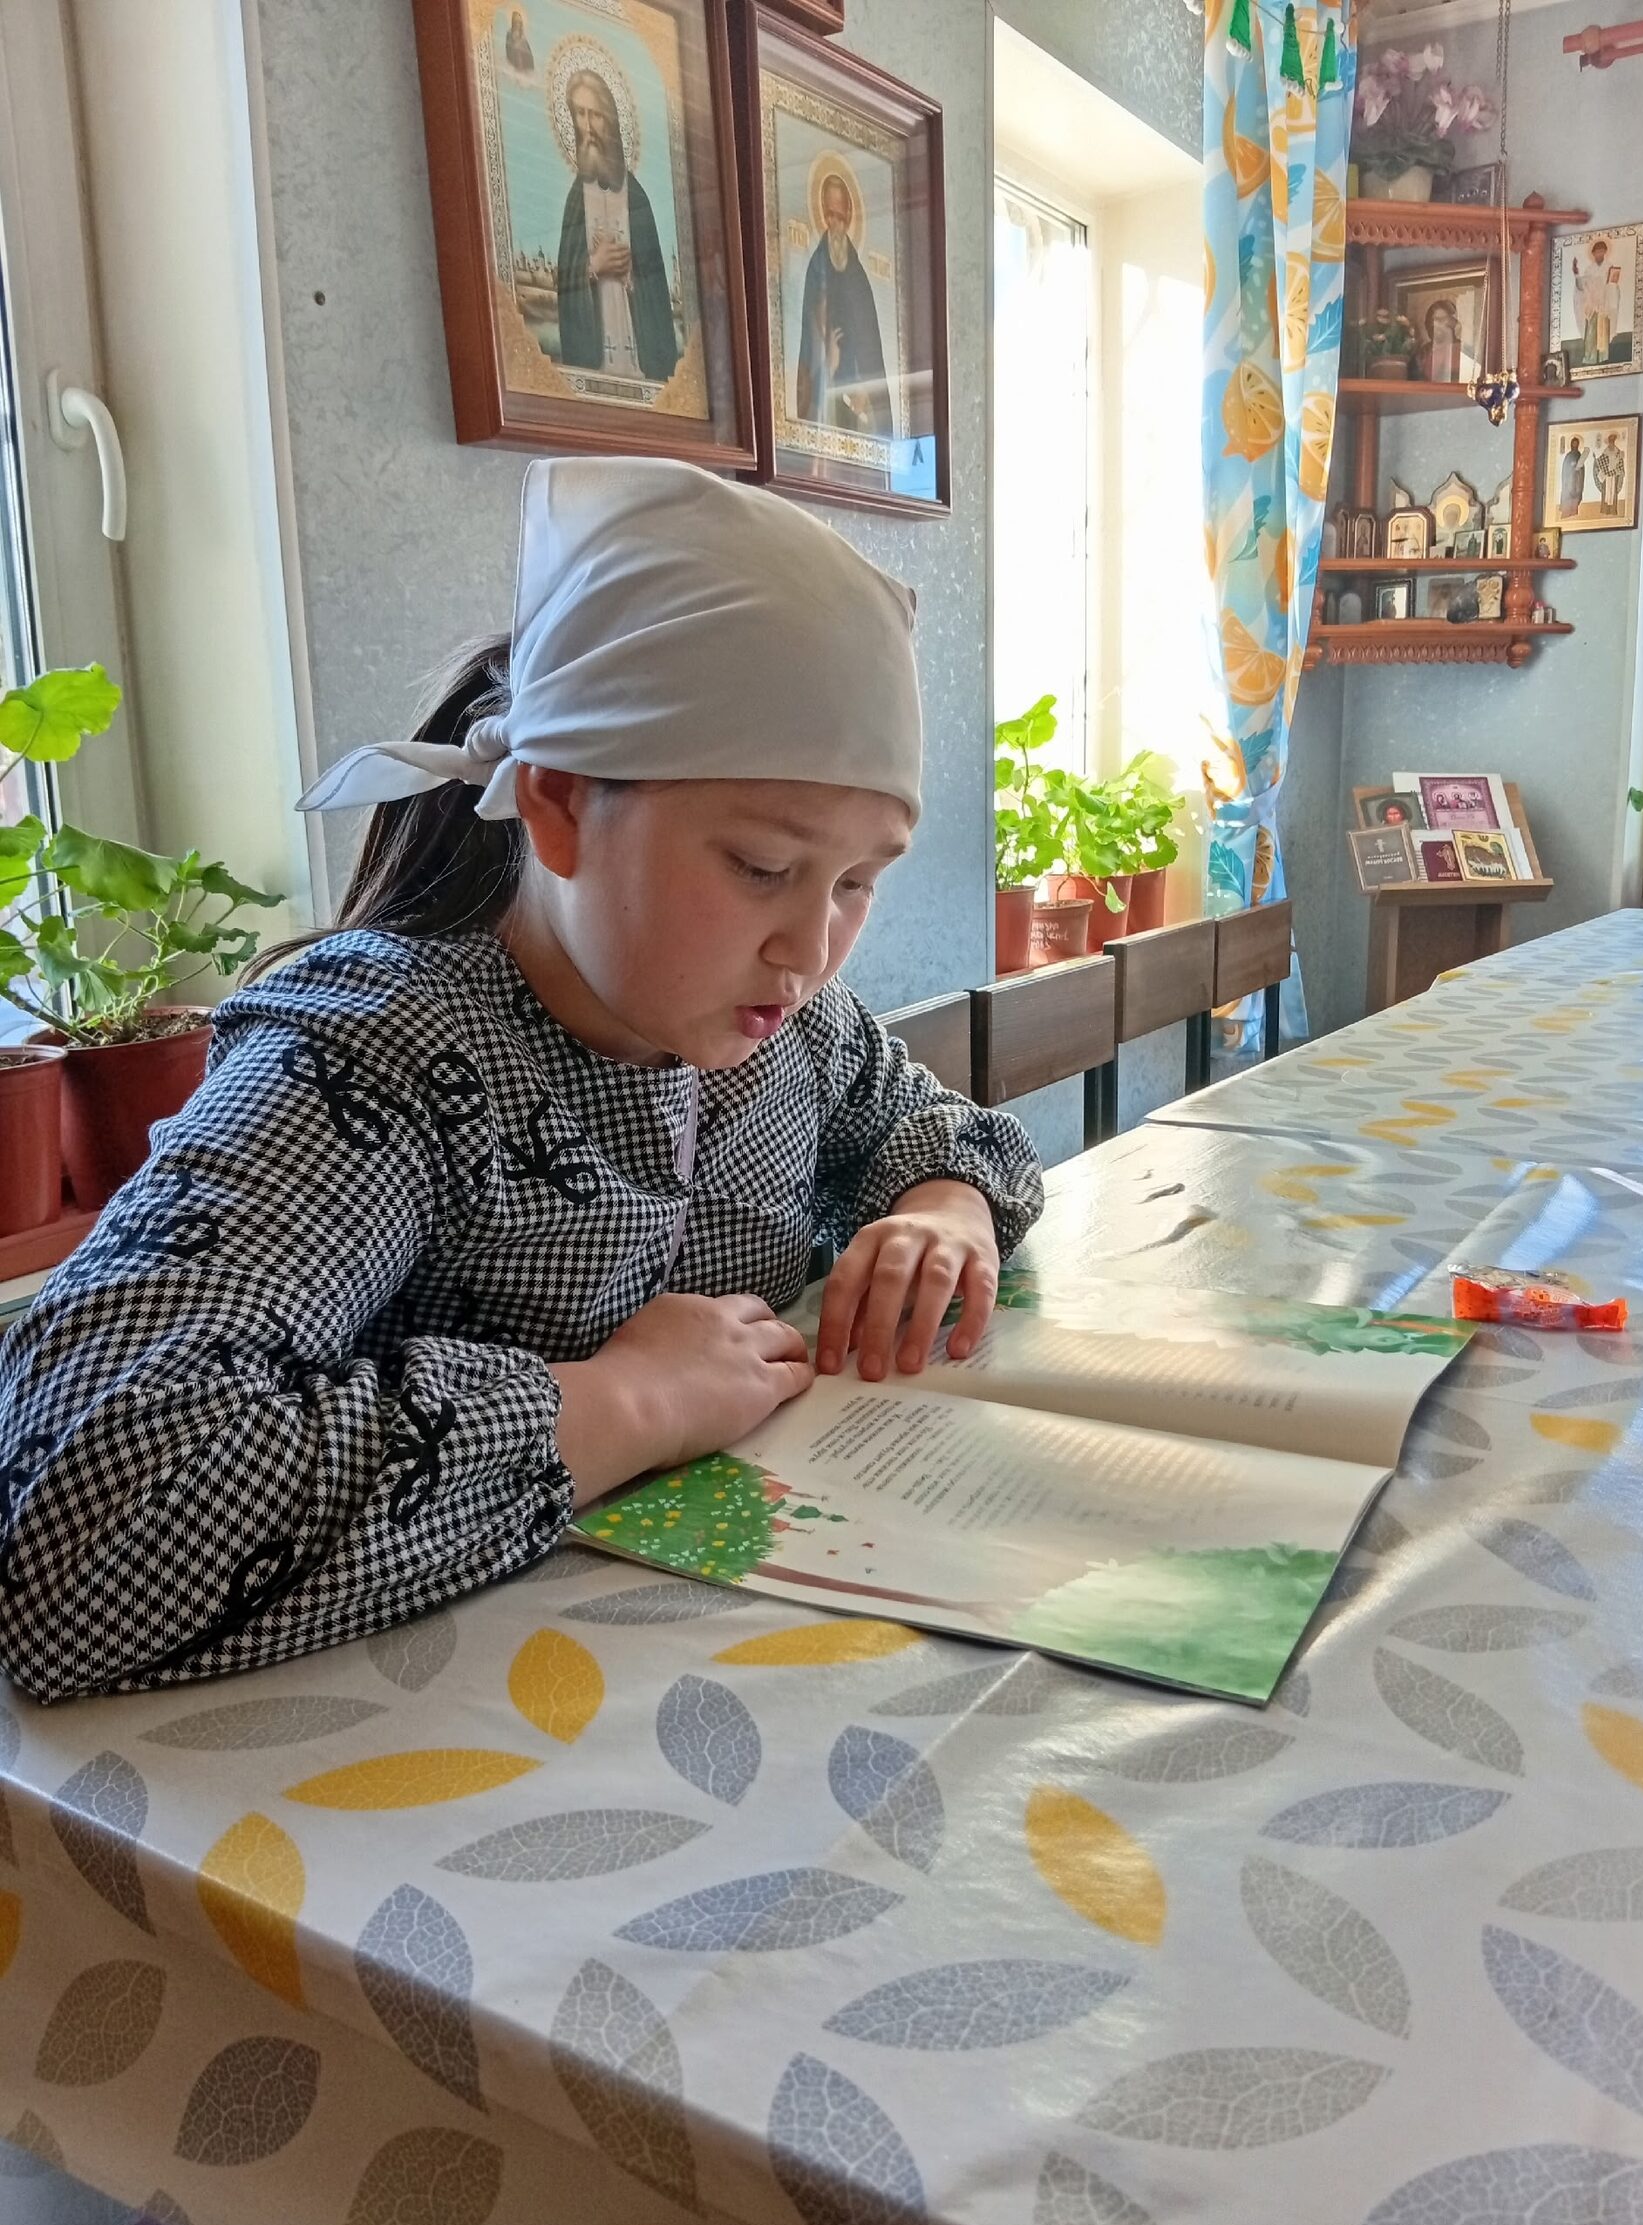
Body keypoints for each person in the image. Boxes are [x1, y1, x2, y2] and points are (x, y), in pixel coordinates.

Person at [0, 459, 1042, 1702]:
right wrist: (620, 1402)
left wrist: (942, 1206)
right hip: (409, 1738)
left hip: (760, 1677)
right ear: (557, 805)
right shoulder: (371, 1055)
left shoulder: (791, 1030)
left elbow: (939, 1127)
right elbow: (77, 1522)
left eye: (860, 880)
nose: (812, 948)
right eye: (763, 866)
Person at [556, 70, 678, 383]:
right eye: (580, 114)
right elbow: (566, 286)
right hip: (596, 359)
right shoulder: (576, 200)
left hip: (638, 359)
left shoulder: (636, 198)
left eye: (595, 115)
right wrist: (593, 266)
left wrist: (632, 273)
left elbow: (656, 289)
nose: (587, 127)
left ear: (610, 121)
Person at [796, 172, 893, 437]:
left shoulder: (858, 278)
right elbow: (809, 342)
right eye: (829, 215)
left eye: (839, 216)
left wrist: (865, 388)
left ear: (849, 216)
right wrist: (828, 358)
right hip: (828, 392)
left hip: (857, 394)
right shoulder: (816, 271)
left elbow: (870, 347)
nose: (834, 223)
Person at [1572, 236, 1621, 369]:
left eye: (1601, 251)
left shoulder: (1609, 267)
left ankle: (1603, 357)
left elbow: (1613, 285)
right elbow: (1582, 286)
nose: (1599, 254)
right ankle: (1590, 357)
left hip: (1604, 303)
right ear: (1593, 254)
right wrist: (1577, 274)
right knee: (1591, 332)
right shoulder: (1589, 269)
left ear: (1605, 252)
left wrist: (1611, 287)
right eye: (1597, 252)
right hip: (1592, 304)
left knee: (1603, 331)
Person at [1422, 299, 1460, 384]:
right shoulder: (1423, 353)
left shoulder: (1462, 351)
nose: (1436, 324)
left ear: (1452, 322)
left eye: (1441, 319)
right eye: (1433, 320)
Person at [1593, 429, 1626, 517]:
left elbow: (1620, 465)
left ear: (1614, 441)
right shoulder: (1605, 452)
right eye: (1610, 440)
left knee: (1613, 493)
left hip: (1614, 476)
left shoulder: (1618, 453)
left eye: (1613, 440)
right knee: (1605, 493)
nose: (1612, 442)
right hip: (1606, 477)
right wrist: (1595, 460)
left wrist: (1618, 471)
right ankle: (1605, 510)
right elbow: (1600, 462)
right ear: (1608, 441)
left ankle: (1613, 510)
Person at [1558, 435, 1586, 520]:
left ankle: (1573, 516)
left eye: (1576, 444)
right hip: (1569, 482)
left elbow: (1582, 471)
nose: (1574, 445)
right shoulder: (1568, 456)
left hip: (1577, 483)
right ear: (1571, 444)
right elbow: (1564, 470)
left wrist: (1577, 468)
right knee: (1567, 503)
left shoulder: (1580, 456)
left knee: (1574, 504)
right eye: (1573, 444)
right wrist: (1571, 467)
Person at [504, 7, 534, 74]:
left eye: (519, 22)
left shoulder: (522, 34)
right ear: (513, 22)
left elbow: (527, 49)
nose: (518, 24)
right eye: (516, 22)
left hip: (523, 58)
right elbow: (508, 47)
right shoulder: (509, 33)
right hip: (514, 56)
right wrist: (515, 46)